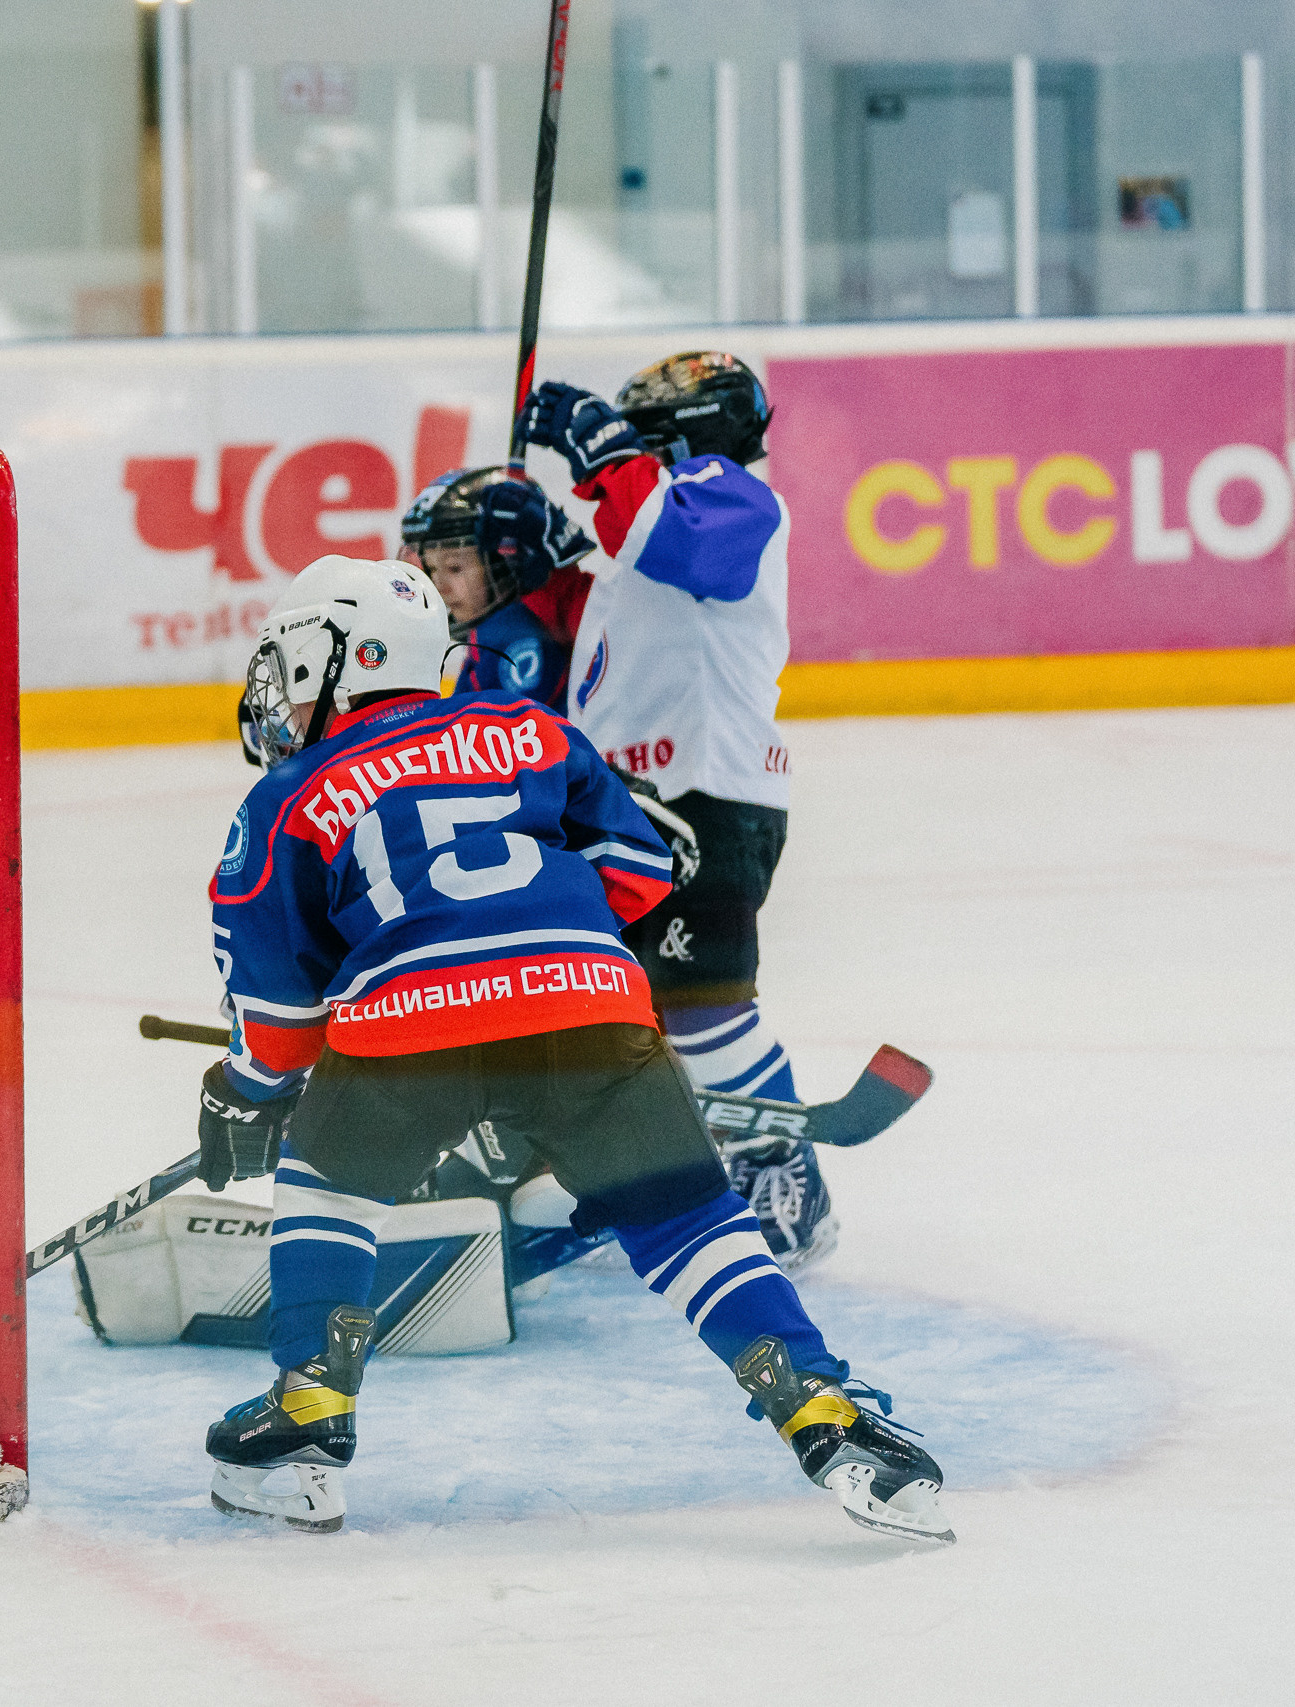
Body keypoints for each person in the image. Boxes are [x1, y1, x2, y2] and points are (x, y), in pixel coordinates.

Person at [194, 551, 949, 1544]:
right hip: (590, 1010)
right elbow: (636, 871)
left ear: (340, 657)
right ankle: (818, 1407)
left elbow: (280, 1019)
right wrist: (544, 959)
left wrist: (243, 1092)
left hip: (405, 1038)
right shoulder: (530, 731)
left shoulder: (291, 795)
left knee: (327, 1183)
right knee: (685, 1224)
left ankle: (307, 1422)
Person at [516, 352, 835, 1269]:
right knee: (608, 1002)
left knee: (702, 1006)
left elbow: (676, 541)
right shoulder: (644, 524)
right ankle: (628, 1168)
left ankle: (782, 1175)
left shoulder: (727, 496)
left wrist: (602, 450)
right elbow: (593, 614)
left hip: (705, 795)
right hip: (633, 806)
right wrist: (526, 545)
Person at [397, 466, 594, 709]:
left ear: (506, 561)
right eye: (433, 569)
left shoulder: (506, 634)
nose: (440, 587)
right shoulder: (494, 631)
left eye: (454, 568)